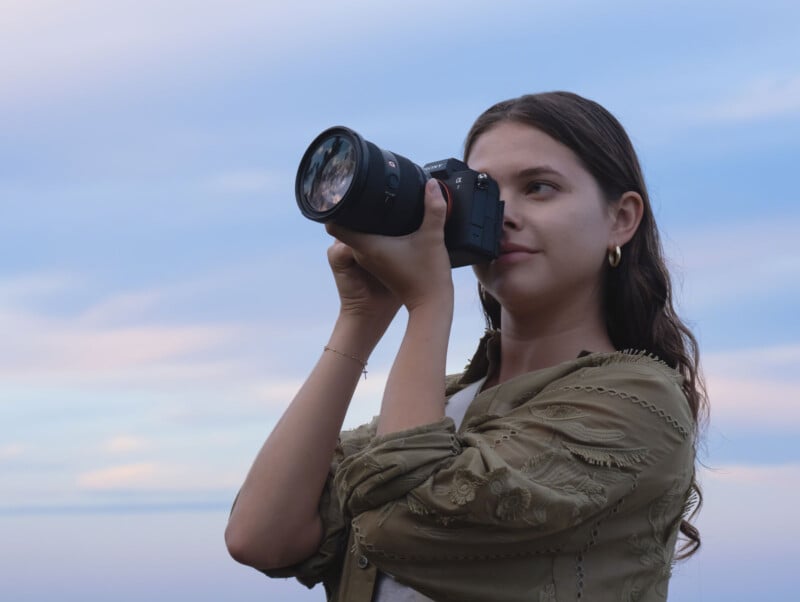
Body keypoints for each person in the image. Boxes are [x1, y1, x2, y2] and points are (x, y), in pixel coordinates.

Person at [225, 91, 706, 602]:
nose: (505, 215)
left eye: (539, 188)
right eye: (486, 193)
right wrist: (360, 320)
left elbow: (402, 526)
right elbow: (260, 537)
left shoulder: (640, 401)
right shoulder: (444, 401)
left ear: (622, 219)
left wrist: (429, 304)